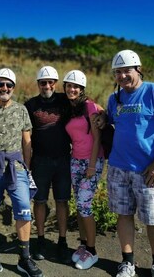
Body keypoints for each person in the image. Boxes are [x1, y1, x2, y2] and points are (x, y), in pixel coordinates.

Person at [100, 50, 154, 277]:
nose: (122, 76)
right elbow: (111, 120)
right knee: (123, 215)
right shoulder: (115, 99)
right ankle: (128, 263)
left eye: (127, 71)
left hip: (149, 171)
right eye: (118, 72)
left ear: (138, 69)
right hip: (118, 168)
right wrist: (104, 117)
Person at [0, 68, 43, 277]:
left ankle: (24, 258)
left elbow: (27, 140)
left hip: (16, 165)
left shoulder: (21, 110)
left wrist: (26, 167)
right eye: (1, 84)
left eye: (9, 85)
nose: (5, 88)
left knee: (24, 208)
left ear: (13, 88)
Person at [24, 66, 72, 263]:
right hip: (40, 161)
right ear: (38, 84)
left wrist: (102, 115)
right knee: (40, 201)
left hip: (63, 160)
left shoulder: (64, 100)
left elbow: (87, 105)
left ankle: (62, 241)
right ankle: (41, 240)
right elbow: (24, 133)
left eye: (50, 82)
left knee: (62, 201)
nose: (47, 85)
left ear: (56, 83)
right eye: (43, 82)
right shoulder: (31, 105)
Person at [62, 70, 104, 270]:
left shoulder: (89, 106)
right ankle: (82, 244)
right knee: (78, 205)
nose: (72, 89)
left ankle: (93, 251)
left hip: (91, 161)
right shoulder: (69, 108)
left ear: (82, 89)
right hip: (75, 160)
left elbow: (96, 138)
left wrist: (92, 165)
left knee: (84, 205)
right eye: (69, 85)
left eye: (76, 86)